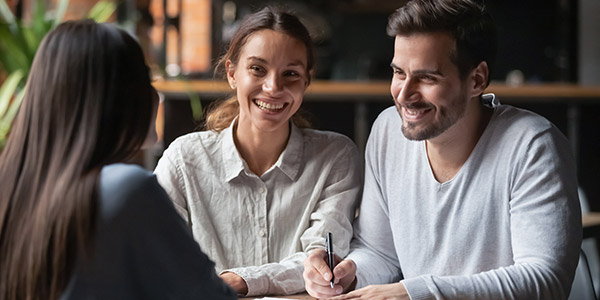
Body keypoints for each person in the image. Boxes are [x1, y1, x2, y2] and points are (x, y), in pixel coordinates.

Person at [303, 0, 582, 299]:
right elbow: (379, 252)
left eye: (426, 78)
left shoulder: (532, 145)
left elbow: (546, 281)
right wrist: (349, 273)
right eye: (399, 73)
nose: (405, 94)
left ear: (476, 80)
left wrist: (412, 293)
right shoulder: (387, 130)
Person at [0, 20, 236, 300]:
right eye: (145, 80)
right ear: (119, 97)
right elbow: (209, 296)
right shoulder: (126, 188)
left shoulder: (13, 186)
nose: (155, 96)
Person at [154, 6, 362, 297]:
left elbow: (321, 264)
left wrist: (241, 281)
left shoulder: (335, 157)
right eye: (257, 69)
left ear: (307, 81)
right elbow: (159, 260)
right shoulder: (183, 161)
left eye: (290, 73)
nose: (273, 87)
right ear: (232, 73)